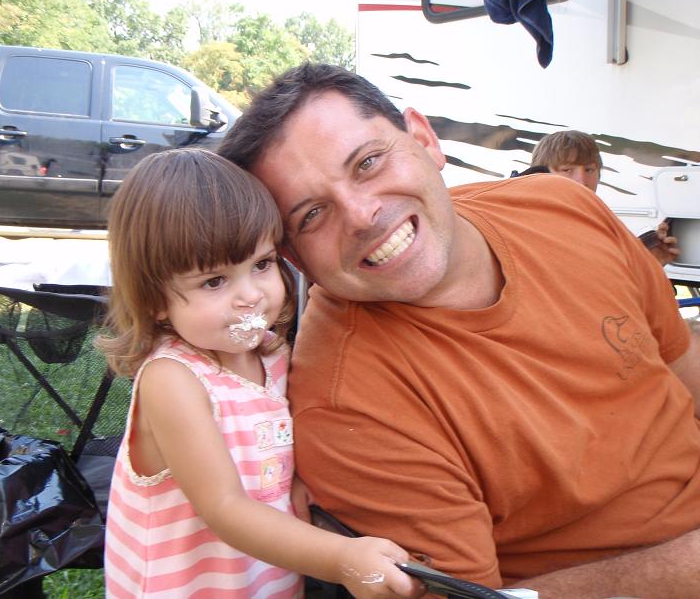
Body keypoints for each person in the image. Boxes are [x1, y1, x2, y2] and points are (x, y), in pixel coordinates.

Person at [218, 63, 700, 598]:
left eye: (368, 162)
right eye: (311, 215)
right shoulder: (346, 405)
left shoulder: (566, 207)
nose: (361, 214)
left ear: (423, 139)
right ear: (294, 258)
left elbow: (683, 366)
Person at [97, 148, 423, 598]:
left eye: (262, 264)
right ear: (154, 300)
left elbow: (273, 447)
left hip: (262, 576)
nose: (250, 295)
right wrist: (342, 559)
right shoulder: (173, 380)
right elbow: (225, 506)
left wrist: (297, 477)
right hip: (189, 584)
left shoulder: (272, 356)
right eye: (214, 282)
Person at [530, 129, 680, 265]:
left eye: (589, 170)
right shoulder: (528, 226)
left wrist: (650, 262)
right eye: (567, 170)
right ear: (540, 173)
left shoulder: (600, 224)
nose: (582, 181)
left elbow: (610, 285)